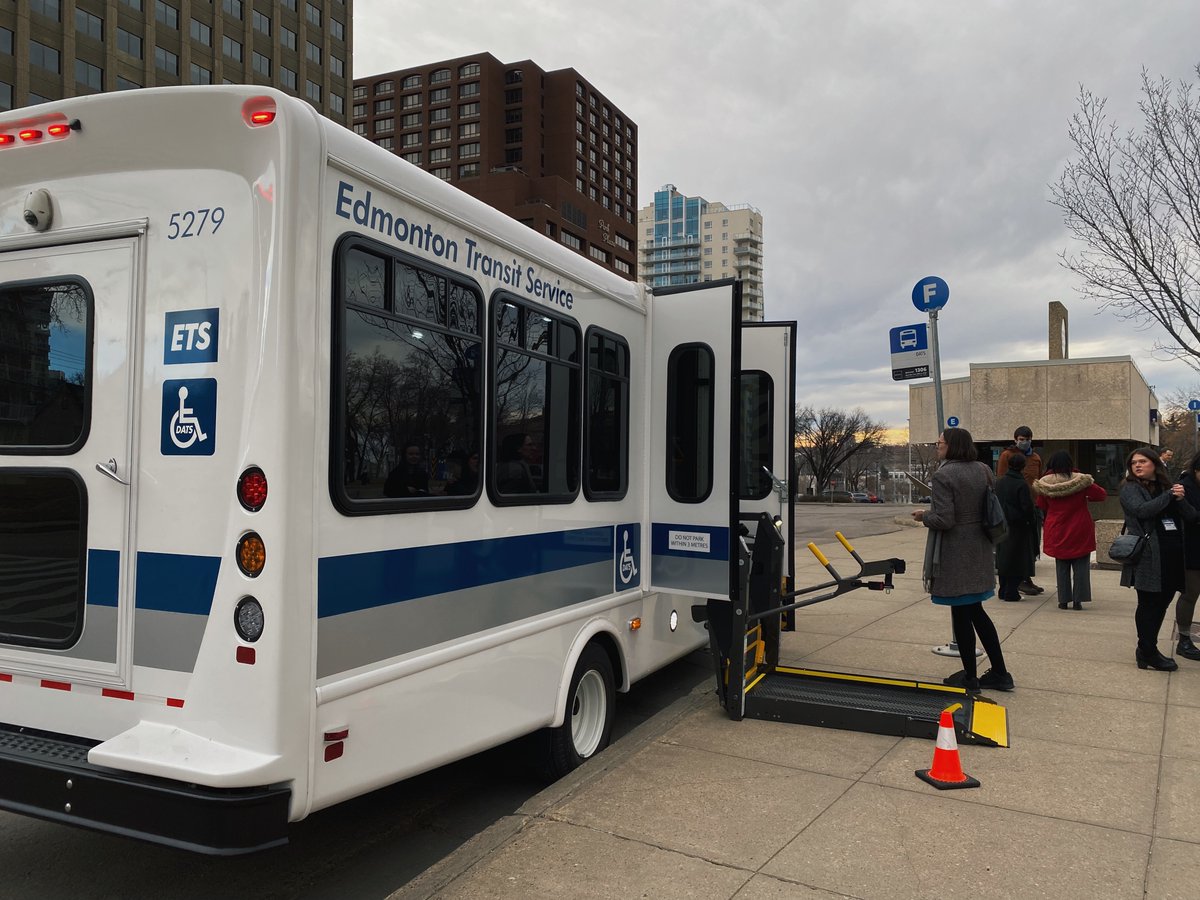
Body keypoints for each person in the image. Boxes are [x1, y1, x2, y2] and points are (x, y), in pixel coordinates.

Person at [913, 427, 1014, 693]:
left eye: (940, 443)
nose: (938, 446)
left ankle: (971, 677)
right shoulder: (983, 470)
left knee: (961, 613)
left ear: (952, 445)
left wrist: (924, 515)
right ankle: (1000, 672)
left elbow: (945, 519)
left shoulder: (944, 475)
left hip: (956, 552)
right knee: (977, 612)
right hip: (980, 547)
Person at [1119, 446, 1200, 671]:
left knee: (1162, 603)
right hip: (1147, 556)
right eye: (1134, 462)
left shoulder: (1166, 486)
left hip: (1171, 555)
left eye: (1143, 461)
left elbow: (1191, 516)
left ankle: (1146, 650)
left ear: (1154, 464)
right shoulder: (1130, 489)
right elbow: (1143, 510)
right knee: (1148, 604)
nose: (1137, 465)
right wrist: (1169, 495)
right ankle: (1147, 650)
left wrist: (1180, 499)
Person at [1032, 451, 1107, 610]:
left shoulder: (1045, 483)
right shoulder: (1081, 480)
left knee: (1062, 565)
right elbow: (1101, 495)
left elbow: (1042, 505)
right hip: (1080, 526)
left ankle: (1063, 600)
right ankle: (1079, 600)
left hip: (1057, 527)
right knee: (1081, 564)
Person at [997, 425, 1045, 595]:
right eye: (1021, 439)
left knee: (1032, 544)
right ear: (1016, 439)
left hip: (1033, 505)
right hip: (1013, 510)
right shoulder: (1007, 456)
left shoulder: (1036, 457)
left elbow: (1038, 480)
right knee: (1013, 547)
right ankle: (1018, 581)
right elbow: (1001, 481)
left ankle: (1026, 577)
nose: (1024, 442)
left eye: (1027, 439)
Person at [994, 452, 1036, 601]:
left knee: (1004, 558)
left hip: (1001, 525)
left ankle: (1003, 589)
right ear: (1023, 467)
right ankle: (1012, 592)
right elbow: (1027, 508)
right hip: (1018, 526)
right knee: (1018, 560)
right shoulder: (1021, 484)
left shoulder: (999, 482)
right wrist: (1031, 522)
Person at [1173, 452, 1200, 660]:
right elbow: (1190, 516)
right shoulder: (1184, 487)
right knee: (1190, 594)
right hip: (1192, 550)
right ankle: (1184, 639)